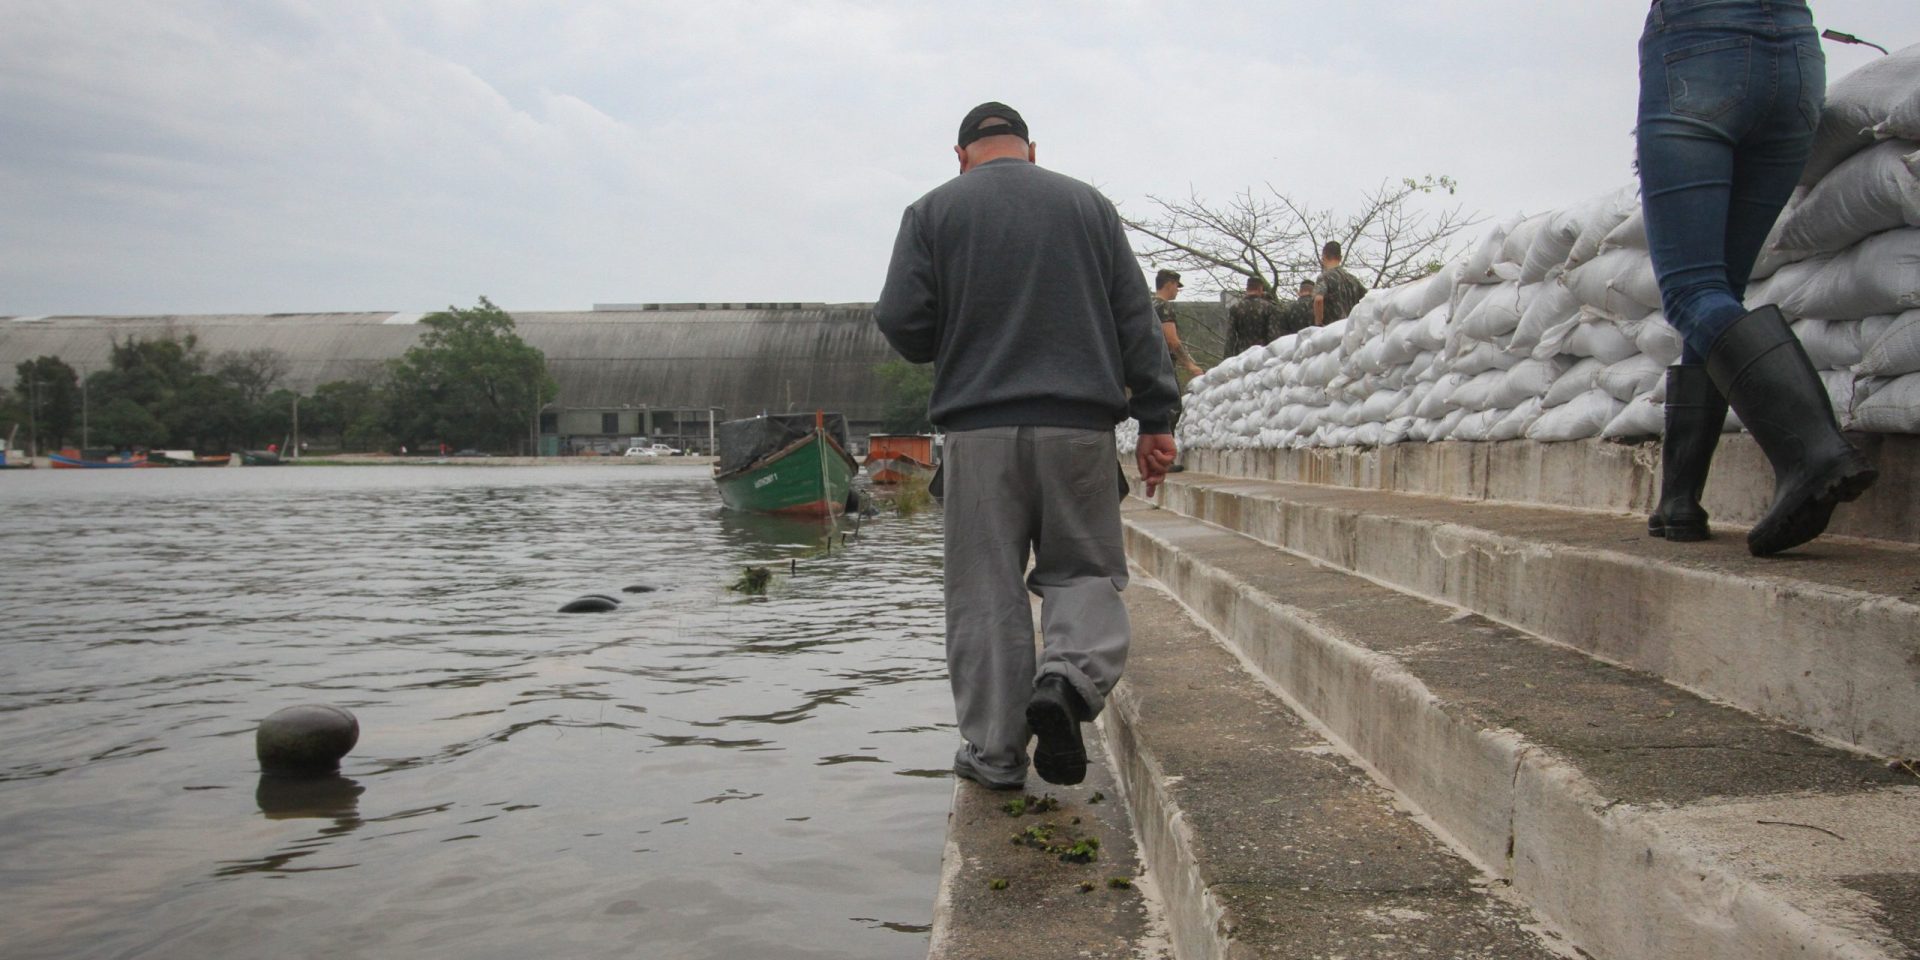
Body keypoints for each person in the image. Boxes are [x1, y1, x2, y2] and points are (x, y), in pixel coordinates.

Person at [875, 102, 1180, 790]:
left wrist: (955, 329)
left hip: (978, 434)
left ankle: (995, 753)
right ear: (1031, 149)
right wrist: (1158, 418)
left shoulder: (933, 213)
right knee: (1084, 572)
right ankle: (1067, 684)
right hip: (1080, 431)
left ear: (961, 156)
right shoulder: (1089, 207)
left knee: (985, 593)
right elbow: (1137, 318)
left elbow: (903, 322)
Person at [1636, 0, 1874, 556]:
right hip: (1795, 54)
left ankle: (1813, 453)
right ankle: (1679, 501)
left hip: (1696, 47)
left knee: (1691, 290)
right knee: (1717, 292)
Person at [1153, 269, 1205, 382]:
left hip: (1145, 365)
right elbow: (1171, 340)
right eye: (1177, 286)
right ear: (1169, 284)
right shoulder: (1163, 306)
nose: (1177, 290)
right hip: (1163, 367)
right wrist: (1190, 365)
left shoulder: (1148, 304)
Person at [1312, 241, 1369, 326]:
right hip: (1350, 328)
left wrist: (1318, 323)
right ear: (1340, 258)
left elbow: (1319, 300)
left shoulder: (1324, 277)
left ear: (1323, 257)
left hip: (1332, 329)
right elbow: (1368, 298)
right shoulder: (1352, 279)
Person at [1225, 275, 1283, 357]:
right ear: (1260, 289)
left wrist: (1227, 358)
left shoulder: (1235, 308)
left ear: (1247, 289)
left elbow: (1230, 337)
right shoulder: (1269, 308)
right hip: (1262, 354)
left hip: (1242, 354)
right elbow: (1273, 335)